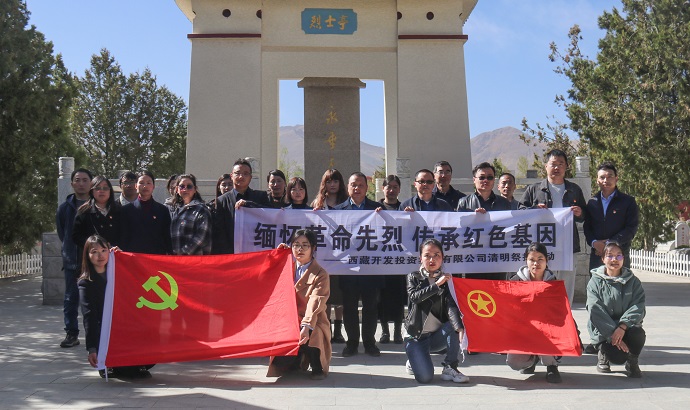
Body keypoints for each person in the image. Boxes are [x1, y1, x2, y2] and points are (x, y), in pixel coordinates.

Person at [78, 235, 154, 378]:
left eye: (104, 250)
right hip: (105, 331)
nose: (100, 256)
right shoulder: (85, 283)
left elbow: (140, 276)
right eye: (94, 252)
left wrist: (123, 257)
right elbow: (89, 316)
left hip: (125, 326)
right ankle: (109, 365)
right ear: (87, 255)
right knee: (128, 373)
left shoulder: (117, 272)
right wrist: (92, 348)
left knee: (151, 353)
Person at [520, 149, 586, 304]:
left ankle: (565, 316)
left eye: (561, 164)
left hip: (568, 246)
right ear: (546, 166)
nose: (557, 168)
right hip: (542, 247)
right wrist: (534, 210)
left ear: (566, 166)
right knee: (541, 283)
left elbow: (585, 215)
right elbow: (520, 212)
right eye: (553, 164)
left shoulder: (574, 189)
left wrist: (579, 213)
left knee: (566, 286)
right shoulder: (534, 189)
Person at [268, 229, 331, 380]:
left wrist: (306, 326)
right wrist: (277, 257)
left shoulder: (320, 274)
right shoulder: (286, 267)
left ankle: (316, 365)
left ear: (313, 248)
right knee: (281, 362)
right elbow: (266, 276)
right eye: (296, 245)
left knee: (313, 335)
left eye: (305, 245)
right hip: (289, 320)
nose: (300, 249)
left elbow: (315, 301)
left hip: (313, 319)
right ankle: (296, 359)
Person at [405, 238, 469, 384]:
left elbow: (451, 306)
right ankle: (413, 360)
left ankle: (450, 366)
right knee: (425, 378)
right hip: (416, 337)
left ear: (442, 258)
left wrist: (460, 328)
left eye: (436, 255)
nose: (432, 259)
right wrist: (436, 285)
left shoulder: (446, 281)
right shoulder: (413, 277)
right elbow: (415, 297)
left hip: (436, 337)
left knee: (454, 325)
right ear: (420, 258)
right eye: (427, 255)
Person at [334, 172, 383, 357]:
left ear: (367, 188)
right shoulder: (337, 211)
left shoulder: (377, 209)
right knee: (350, 308)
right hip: (348, 269)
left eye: (361, 185)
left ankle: (370, 343)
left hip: (371, 269)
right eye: (353, 185)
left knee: (371, 308)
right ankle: (352, 343)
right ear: (347, 187)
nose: (357, 188)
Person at [587, 241, 646, 378]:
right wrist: (611, 333)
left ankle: (632, 360)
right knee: (618, 357)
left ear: (623, 258)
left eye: (619, 256)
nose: (614, 259)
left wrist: (622, 326)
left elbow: (638, 306)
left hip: (626, 328)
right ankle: (603, 354)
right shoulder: (594, 282)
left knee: (638, 333)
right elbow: (595, 310)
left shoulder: (633, 281)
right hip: (604, 331)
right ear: (603, 259)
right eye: (610, 255)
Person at [506, 242, 562, 383]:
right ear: (526, 260)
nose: (536, 263)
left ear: (547, 261)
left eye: (540, 259)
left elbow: (560, 312)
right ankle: (532, 360)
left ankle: (551, 365)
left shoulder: (554, 283)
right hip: (523, 329)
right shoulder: (515, 281)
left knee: (548, 333)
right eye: (532, 259)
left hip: (547, 329)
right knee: (514, 362)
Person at [310, 169, 348, 344]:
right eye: (329, 181)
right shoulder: (317, 203)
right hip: (323, 258)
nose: (332, 185)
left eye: (335, 181)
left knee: (340, 296)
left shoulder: (346, 203)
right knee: (324, 294)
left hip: (342, 256)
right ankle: (328, 328)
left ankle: (338, 329)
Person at [56, 168, 92, 348]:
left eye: (85, 180)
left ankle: (95, 334)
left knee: (94, 300)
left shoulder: (97, 205)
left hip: (94, 261)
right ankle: (71, 334)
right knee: (71, 299)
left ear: (91, 183)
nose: (81, 183)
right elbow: (62, 233)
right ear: (72, 184)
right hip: (72, 260)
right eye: (77, 180)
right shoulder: (64, 208)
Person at [457, 163, 512, 281]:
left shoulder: (504, 203)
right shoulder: (463, 203)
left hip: (497, 259)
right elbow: (458, 230)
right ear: (474, 180)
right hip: (473, 258)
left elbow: (511, 227)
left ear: (494, 181)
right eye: (482, 177)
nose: (486, 180)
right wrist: (472, 218)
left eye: (489, 177)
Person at [584, 162, 639, 271]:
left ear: (616, 179)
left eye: (610, 176)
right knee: (597, 281)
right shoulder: (592, 202)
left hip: (619, 255)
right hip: (598, 254)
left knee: (620, 281)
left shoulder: (628, 201)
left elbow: (631, 228)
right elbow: (587, 227)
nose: (606, 180)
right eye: (602, 177)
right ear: (597, 180)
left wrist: (610, 244)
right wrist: (594, 243)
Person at [213, 158, 268, 254]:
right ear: (231, 176)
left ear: (250, 177)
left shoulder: (261, 196)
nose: (241, 176)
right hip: (231, 253)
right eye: (237, 173)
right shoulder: (221, 201)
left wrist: (248, 204)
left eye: (245, 174)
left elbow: (269, 216)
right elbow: (219, 232)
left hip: (256, 252)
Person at [377, 175, 405, 344]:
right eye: (389, 187)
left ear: (399, 189)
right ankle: (385, 331)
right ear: (383, 188)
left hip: (399, 261)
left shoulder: (404, 208)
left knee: (399, 298)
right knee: (382, 298)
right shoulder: (375, 208)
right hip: (381, 261)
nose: (392, 190)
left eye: (395, 187)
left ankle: (397, 332)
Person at [73, 176, 121, 270]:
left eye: (105, 188)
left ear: (110, 191)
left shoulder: (119, 210)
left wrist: (116, 247)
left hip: (115, 258)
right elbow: (76, 236)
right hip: (92, 261)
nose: (101, 191)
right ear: (92, 191)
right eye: (97, 188)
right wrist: (93, 245)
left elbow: (126, 233)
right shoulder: (84, 211)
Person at [120, 171, 172, 255]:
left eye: (148, 183)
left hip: (156, 257)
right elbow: (123, 238)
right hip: (134, 257)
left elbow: (167, 237)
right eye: (141, 183)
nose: (145, 186)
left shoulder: (162, 210)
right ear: (136, 186)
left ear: (153, 186)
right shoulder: (126, 211)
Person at [169, 174, 212, 255]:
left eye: (189, 186)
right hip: (174, 259)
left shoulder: (202, 210)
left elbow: (202, 237)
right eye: (182, 186)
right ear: (177, 189)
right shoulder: (174, 210)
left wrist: (183, 253)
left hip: (194, 259)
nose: (185, 189)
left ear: (195, 189)